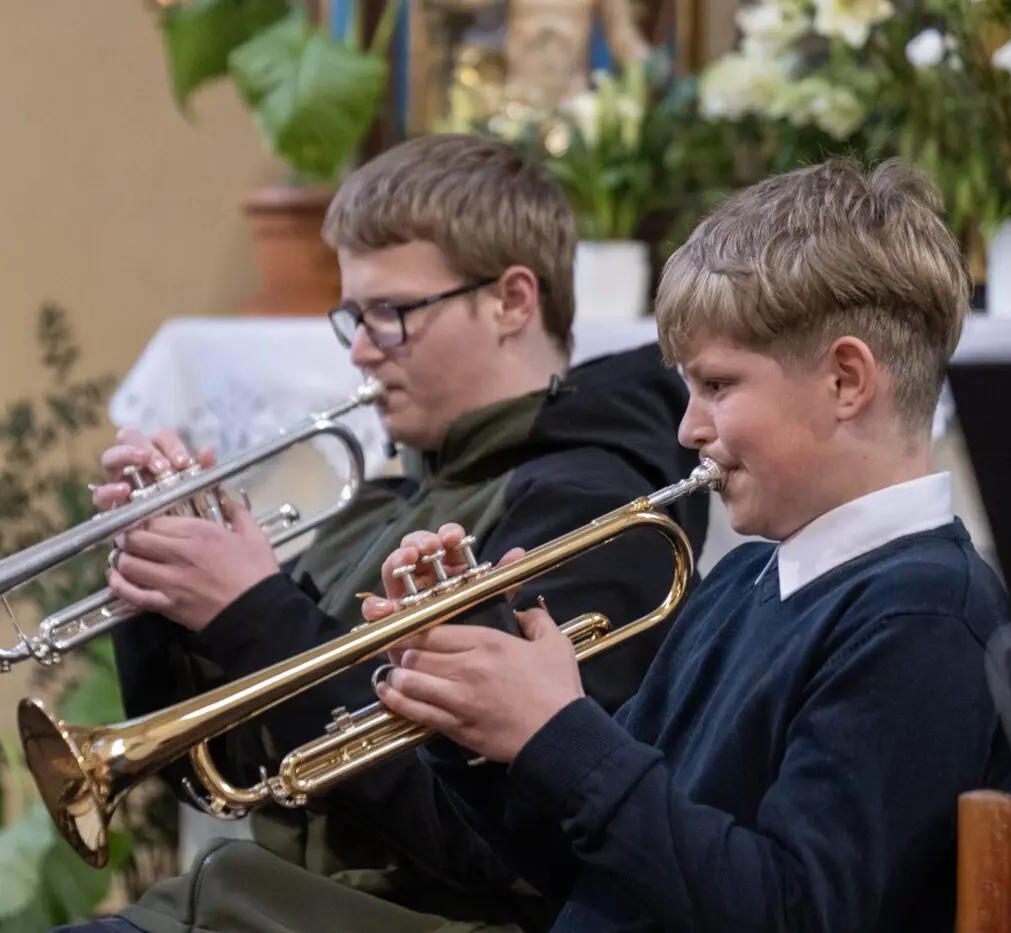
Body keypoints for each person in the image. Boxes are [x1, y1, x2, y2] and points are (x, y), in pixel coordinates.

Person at [56, 133, 708, 933]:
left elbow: (483, 841)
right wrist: (166, 591)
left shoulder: (595, 512)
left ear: (511, 300)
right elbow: (231, 773)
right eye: (353, 317)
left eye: (391, 314)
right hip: (262, 902)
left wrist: (253, 610)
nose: (362, 350)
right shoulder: (397, 493)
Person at [361, 157, 1011, 932]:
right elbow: (587, 866)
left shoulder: (926, 618)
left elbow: (792, 912)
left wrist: (560, 732)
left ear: (846, 380)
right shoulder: (749, 575)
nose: (687, 430)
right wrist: (470, 712)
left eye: (717, 386)